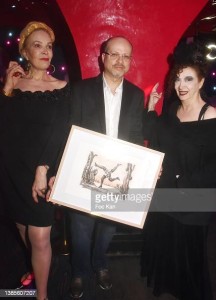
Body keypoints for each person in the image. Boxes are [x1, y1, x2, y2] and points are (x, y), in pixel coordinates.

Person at [66, 36, 148, 299]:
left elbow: (136, 135)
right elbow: (68, 132)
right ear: (103, 57)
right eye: (115, 54)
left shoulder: (136, 95)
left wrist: (141, 167)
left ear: (130, 61)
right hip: (83, 173)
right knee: (80, 229)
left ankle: (100, 264)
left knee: (108, 227)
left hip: (117, 176)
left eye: (126, 56)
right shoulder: (80, 90)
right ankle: (79, 271)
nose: (120, 61)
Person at [0, 21, 71, 300]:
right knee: (22, 227)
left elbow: (62, 134)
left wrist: (45, 169)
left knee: (40, 236)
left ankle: (41, 295)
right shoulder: (14, 86)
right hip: (11, 169)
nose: (45, 51)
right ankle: (35, 266)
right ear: (25, 53)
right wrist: (6, 89)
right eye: (37, 46)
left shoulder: (64, 88)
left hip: (44, 169)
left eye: (49, 46)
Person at [140, 40, 216, 300]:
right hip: (165, 197)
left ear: (201, 82)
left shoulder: (212, 118)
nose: (181, 85)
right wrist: (151, 107)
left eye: (188, 79)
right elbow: (157, 136)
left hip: (194, 201)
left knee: (190, 261)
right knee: (167, 251)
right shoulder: (172, 110)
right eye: (178, 79)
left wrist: (179, 178)